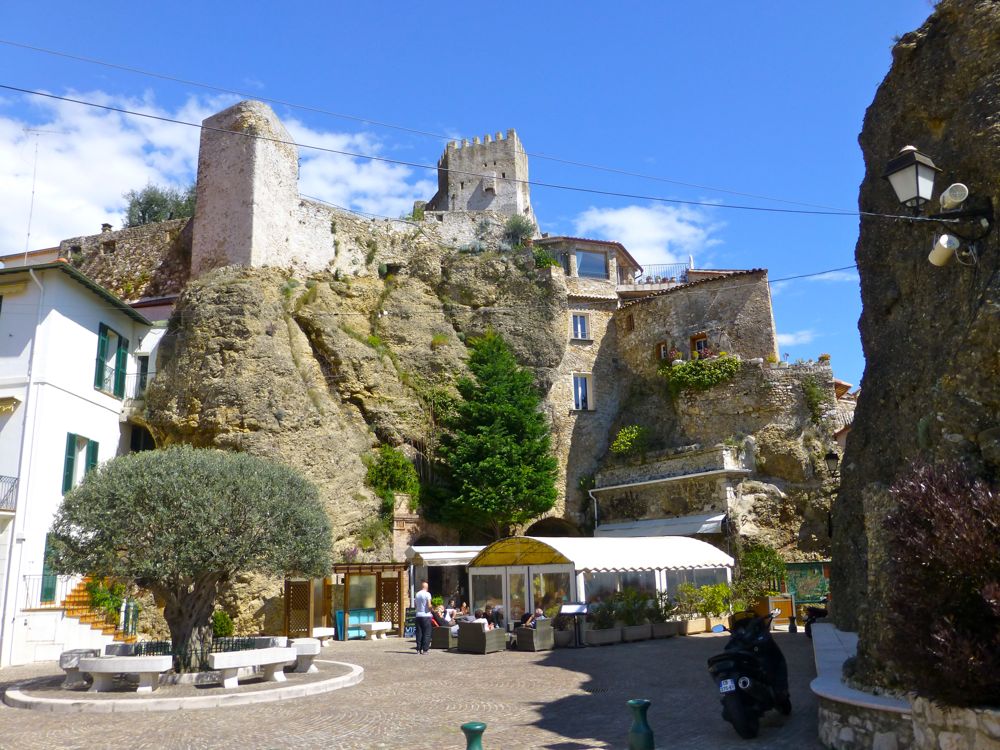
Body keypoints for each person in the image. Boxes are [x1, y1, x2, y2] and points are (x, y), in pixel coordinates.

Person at [413, 580, 434, 655]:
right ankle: (425, 650)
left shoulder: (417, 594)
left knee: (419, 633)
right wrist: (433, 609)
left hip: (418, 615)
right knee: (427, 633)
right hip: (426, 615)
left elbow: (415, 606)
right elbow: (429, 605)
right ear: (426, 587)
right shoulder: (427, 594)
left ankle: (418, 649)